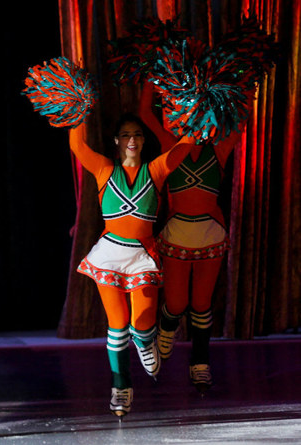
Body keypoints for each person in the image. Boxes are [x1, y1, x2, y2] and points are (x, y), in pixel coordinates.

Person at [69, 113, 194, 418]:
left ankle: (146, 340)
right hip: (110, 255)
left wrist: (196, 110)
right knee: (117, 325)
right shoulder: (104, 169)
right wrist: (75, 110)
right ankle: (120, 387)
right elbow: (77, 145)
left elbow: (186, 145)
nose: (133, 140)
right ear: (116, 141)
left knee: (142, 323)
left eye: (137, 135)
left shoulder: (156, 169)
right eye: (126, 135)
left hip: (142, 256)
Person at [138, 82, 246, 393]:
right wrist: (150, 78)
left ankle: (200, 364)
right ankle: (167, 332)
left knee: (201, 303)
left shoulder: (220, 147)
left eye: (202, 109)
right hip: (176, 237)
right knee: (176, 302)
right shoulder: (171, 144)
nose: (195, 116)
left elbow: (241, 116)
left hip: (211, 237)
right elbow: (146, 112)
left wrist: (244, 77)